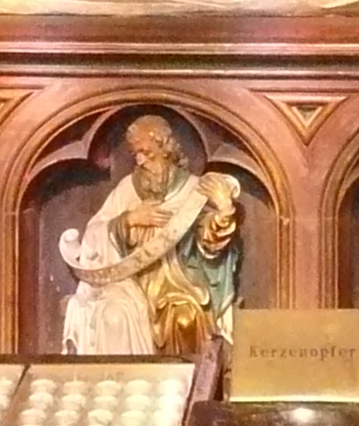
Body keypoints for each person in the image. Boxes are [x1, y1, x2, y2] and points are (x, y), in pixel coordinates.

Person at [60, 113, 240, 356]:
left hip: (177, 281)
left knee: (185, 317)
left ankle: (191, 386)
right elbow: (96, 230)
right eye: (136, 155)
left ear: (165, 148)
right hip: (130, 281)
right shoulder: (127, 188)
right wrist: (128, 221)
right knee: (113, 313)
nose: (142, 161)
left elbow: (209, 241)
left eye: (147, 152)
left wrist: (224, 211)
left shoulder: (193, 189)